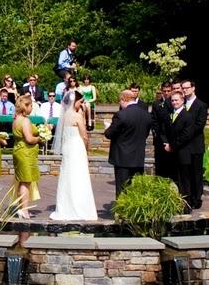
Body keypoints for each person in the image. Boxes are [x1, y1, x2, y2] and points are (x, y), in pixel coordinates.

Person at [51, 91, 98, 221]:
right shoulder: (77, 116)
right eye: (80, 101)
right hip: (77, 147)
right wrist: (87, 149)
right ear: (74, 102)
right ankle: (80, 207)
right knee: (79, 175)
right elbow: (84, 135)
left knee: (67, 175)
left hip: (67, 148)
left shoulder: (65, 115)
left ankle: (65, 207)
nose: (81, 104)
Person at [165, 81, 209, 211]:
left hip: (195, 144)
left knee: (196, 173)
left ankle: (197, 198)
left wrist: (185, 134)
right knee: (185, 175)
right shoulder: (178, 106)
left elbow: (199, 125)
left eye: (187, 88)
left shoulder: (201, 105)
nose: (184, 90)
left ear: (193, 88)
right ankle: (187, 199)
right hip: (183, 147)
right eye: (182, 88)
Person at [104, 89, 151, 198]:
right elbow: (145, 134)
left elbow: (109, 134)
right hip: (138, 156)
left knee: (122, 187)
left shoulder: (121, 115)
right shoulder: (146, 115)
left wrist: (107, 128)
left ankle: (121, 212)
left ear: (123, 99)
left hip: (122, 158)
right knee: (136, 187)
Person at [11, 94, 42, 218]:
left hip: (18, 150)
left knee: (21, 180)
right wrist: (39, 138)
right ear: (26, 106)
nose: (32, 109)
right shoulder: (25, 120)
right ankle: (24, 209)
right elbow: (29, 138)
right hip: (25, 153)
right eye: (31, 106)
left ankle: (20, 207)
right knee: (26, 181)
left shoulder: (15, 119)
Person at [152, 82, 176, 179]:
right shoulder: (156, 104)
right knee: (160, 164)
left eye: (168, 91)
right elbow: (154, 121)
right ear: (161, 91)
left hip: (172, 138)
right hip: (159, 139)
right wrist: (159, 136)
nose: (166, 93)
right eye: (164, 91)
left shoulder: (175, 102)